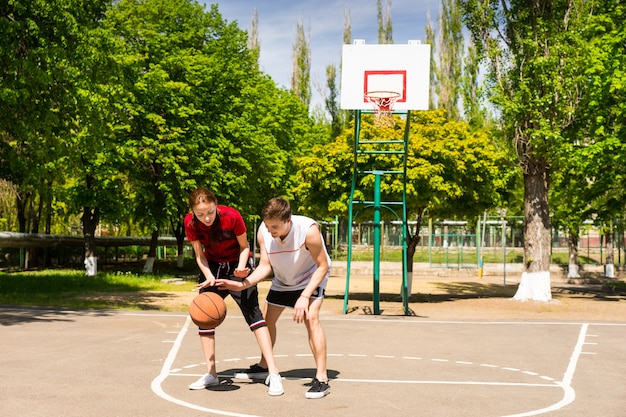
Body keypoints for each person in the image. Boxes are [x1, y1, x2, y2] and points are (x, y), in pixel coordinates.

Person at [217, 197, 331, 399]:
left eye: (275, 226)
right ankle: (263, 365)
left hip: (310, 277)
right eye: (268, 226)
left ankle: (322, 379)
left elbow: (322, 266)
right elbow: (265, 266)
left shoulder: (309, 230)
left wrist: (304, 296)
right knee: (266, 322)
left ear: (289, 219)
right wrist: (242, 283)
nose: (271, 231)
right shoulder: (264, 231)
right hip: (283, 278)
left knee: (311, 318)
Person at [184, 187, 283, 396]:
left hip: (237, 265)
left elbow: (244, 246)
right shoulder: (190, 223)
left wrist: (240, 269)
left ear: (216, 205)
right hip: (212, 267)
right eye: (200, 214)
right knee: (205, 318)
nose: (207, 218)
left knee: (255, 317)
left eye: (210, 212)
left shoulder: (232, 216)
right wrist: (209, 276)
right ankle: (211, 374)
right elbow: (199, 254)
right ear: (193, 212)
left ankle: (273, 373)